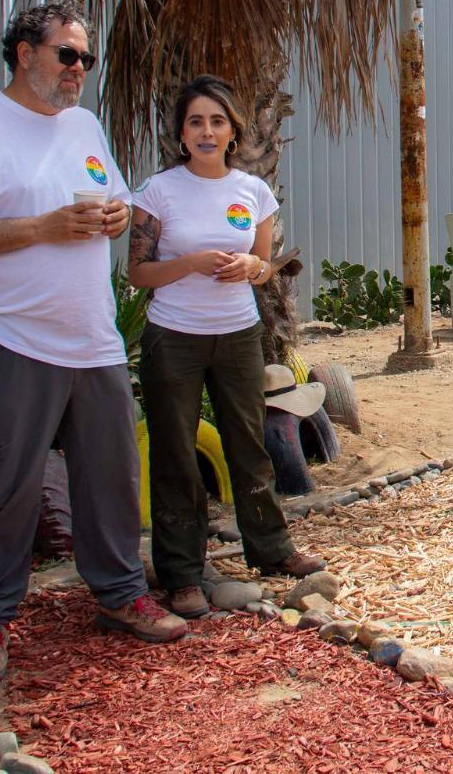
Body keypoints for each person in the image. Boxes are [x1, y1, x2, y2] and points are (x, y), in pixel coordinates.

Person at [0, 0, 186, 686]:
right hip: (9, 337)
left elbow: (114, 203)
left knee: (111, 481)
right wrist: (42, 227)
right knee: (1, 486)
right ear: (24, 53)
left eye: (86, 58)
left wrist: (120, 212)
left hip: (91, 339)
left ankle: (120, 594)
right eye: (67, 54)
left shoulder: (86, 125)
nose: (79, 70)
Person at [129, 76, 326, 618]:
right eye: (196, 121)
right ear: (181, 132)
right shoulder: (157, 191)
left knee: (248, 444)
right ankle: (183, 574)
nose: (207, 131)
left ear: (233, 131)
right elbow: (137, 272)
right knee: (175, 453)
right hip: (174, 338)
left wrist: (252, 267)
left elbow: (266, 267)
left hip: (238, 335)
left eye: (217, 121)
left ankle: (271, 549)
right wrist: (189, 264)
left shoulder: (252, 192)